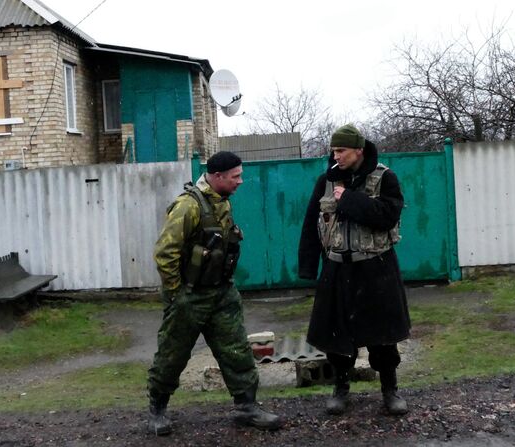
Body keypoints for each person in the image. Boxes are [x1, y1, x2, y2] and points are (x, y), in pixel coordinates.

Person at [147, 151, 282, 435]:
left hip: (222, 294)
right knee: (172, 355)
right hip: (190, 296)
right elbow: (165, 253)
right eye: (236, 177)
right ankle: (157, 410)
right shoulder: (188, 206)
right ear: (217, 176)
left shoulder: (221, 203)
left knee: (236, 351)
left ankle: (247, 407)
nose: (241, 182)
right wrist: (176, 294)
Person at [298, 124, 411, 416]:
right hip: (337, 269)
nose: (337, 155)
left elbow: (386, 216)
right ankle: (341, 388)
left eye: (342, 150)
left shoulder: (385, 178)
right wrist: (309, 268)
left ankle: (390, 390)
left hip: (376, 269)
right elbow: (312, 224)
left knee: (383, 338)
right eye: (334, 150)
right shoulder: (326, 181)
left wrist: (347, 198)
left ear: (358, 150)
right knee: (336, 337)